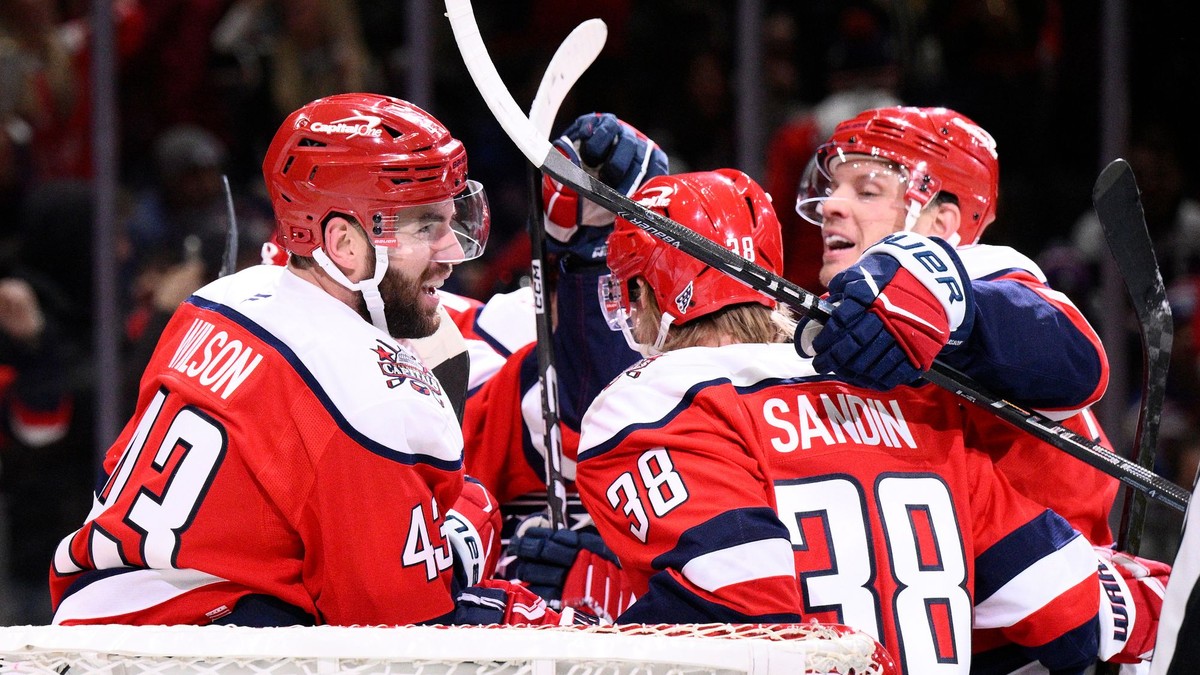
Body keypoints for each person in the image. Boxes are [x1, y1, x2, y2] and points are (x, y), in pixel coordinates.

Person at [574, 168, 1167, 673]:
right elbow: (1065, 604)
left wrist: (573, 631)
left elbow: (745, 623)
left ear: (647, 294)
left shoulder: (651, 403)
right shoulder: (907, 397)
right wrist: (1160, 590)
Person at [47, 93, 563, 627]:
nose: (452, 252)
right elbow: (399, 632)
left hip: (85, 626)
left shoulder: (217, 301)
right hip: (202, 653)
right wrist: (463, 537)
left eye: (454, 222)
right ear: (342, 242)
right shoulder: (366, 390)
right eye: (425, 228)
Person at [792, 106, 1118, 546]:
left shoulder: (990, 277)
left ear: (941, 226)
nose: (831, 204)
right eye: (833, 188)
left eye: (867, 192)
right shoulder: (842, 315)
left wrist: (949, 299)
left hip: (1060, 593)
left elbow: (1081, 363)